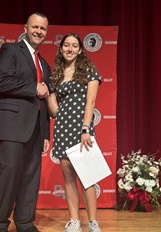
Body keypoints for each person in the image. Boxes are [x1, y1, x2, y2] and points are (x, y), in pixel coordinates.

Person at [0, 12, 51, 232]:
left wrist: (45, 134)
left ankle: (25, 223)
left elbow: (43, 103)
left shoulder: (44, 64)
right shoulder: (11, 50)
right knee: (10, 175)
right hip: (12, 127)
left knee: (31, 177)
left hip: (35, 130)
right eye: (35, 27)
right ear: (25, 27)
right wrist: (34, 87)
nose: (38, 32)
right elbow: (2, 81)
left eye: (43, 29)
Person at [46, 33, 102, 232]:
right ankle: (75, 221)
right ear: (61, 49)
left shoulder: (88, 70)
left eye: (74, 45)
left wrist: (86, 128)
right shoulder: (57, 75)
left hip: (81, 129)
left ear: (80, 49)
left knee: (87, 177)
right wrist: (48, 94)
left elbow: (91, 102)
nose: (70, 49)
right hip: (62, 128)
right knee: (69, 178)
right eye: (66, 45)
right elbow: (54, 111)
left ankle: (93, 222)